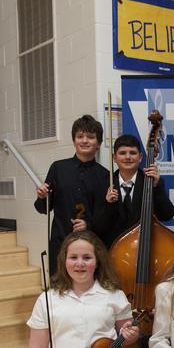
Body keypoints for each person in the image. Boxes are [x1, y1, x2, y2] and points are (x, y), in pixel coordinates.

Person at [35, 115, 109, 272]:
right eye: (80, 136)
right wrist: (42, 197)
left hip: (92, 247)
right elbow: (44, 209)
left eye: (91, 137)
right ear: (74, 140)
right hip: (61, 242)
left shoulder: (105, 176)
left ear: (99, 144)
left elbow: (107, 216)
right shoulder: (58, 168)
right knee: (59, 290)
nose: (85, 141)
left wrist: (89, 225)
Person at [91, 133, 174, 249]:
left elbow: (167, 215)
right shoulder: (104, 184)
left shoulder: (151, 182)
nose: (128, 157)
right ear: (114, 158)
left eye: (132, 153)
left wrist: (157, 186)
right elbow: (97, 228)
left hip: (144, 250)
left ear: (140, 157)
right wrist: (108, 205)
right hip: (113, 253)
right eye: (122, 153)